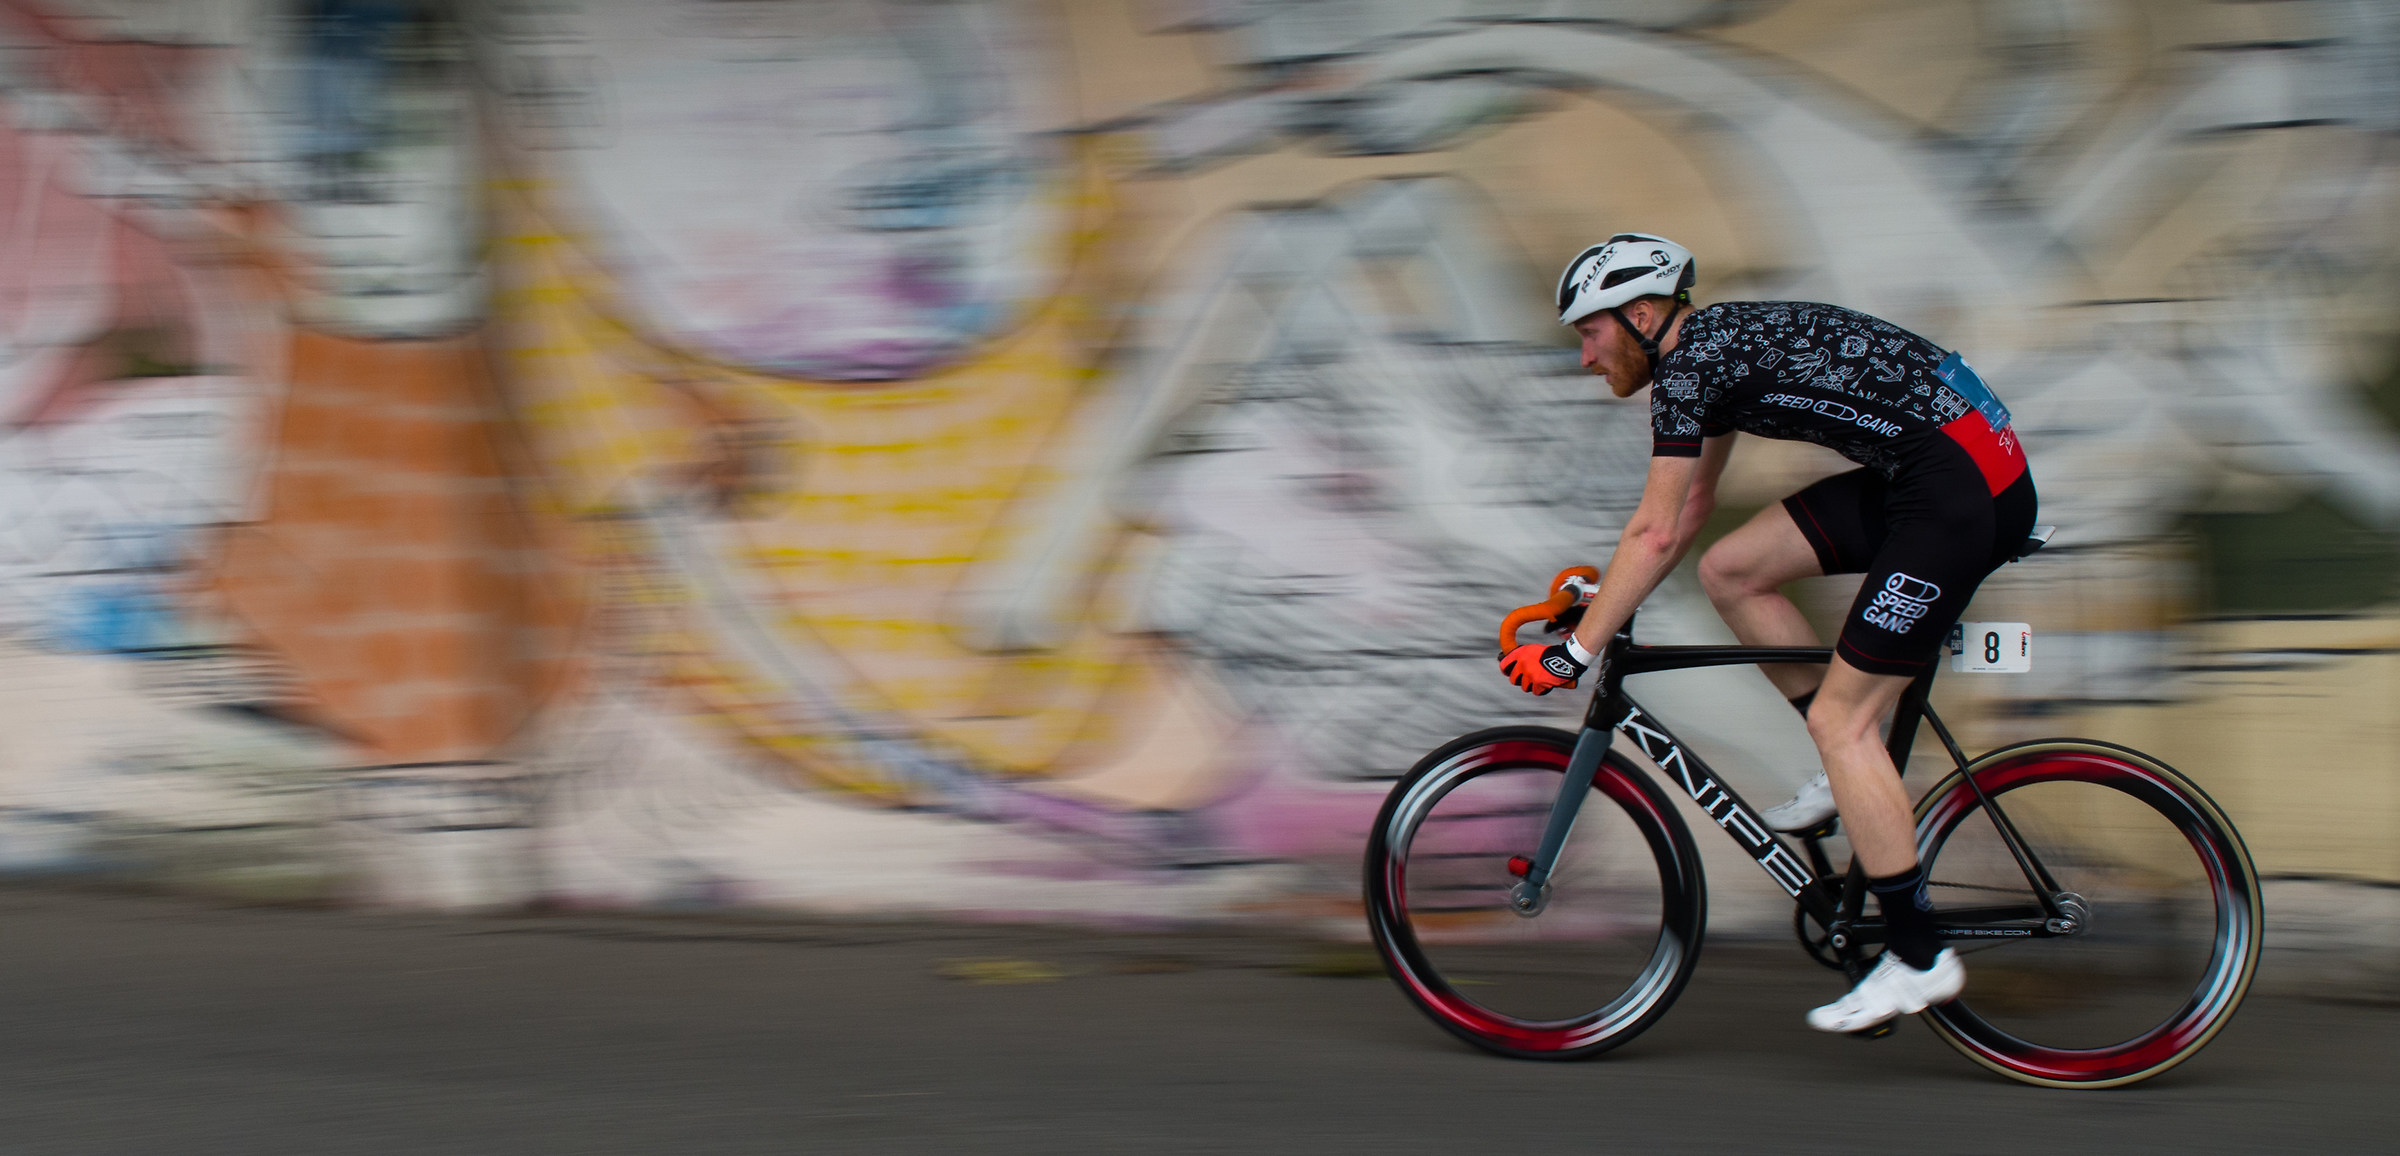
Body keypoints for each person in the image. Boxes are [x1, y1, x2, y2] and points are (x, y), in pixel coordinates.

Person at [1498, 234, 2036, 1033]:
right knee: (1733, 569)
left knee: (1841, 723)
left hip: (1959, 494)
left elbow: (1650, 532)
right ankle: (1847, 769)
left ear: (1641, 315)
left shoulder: (1687, 371)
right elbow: (1682, 517)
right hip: (1941, 469)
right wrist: (1606, 601)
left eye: (1589, 332)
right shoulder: (1711, 349)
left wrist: (1576, 653)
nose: (1584, 357)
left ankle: (1919, 958)